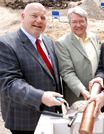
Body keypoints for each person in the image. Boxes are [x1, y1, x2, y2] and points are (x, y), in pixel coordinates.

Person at [0, 3, 63, 134]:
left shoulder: (48, 41)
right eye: (34, 16)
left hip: (50, 113)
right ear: (23, 17)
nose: (39, 21)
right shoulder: (6, 43)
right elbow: (10, 83)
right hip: (25, 119)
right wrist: (41, 97)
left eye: (43, 18)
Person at [55, 6, 100, 106]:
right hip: (77, 98)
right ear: (69, 24)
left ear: (87, 22)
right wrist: (83, 91)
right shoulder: (62, 43)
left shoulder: (93, 37)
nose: (78, 25)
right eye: (74, 22)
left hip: (97, 94)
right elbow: (67, 72)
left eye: (81, 21)